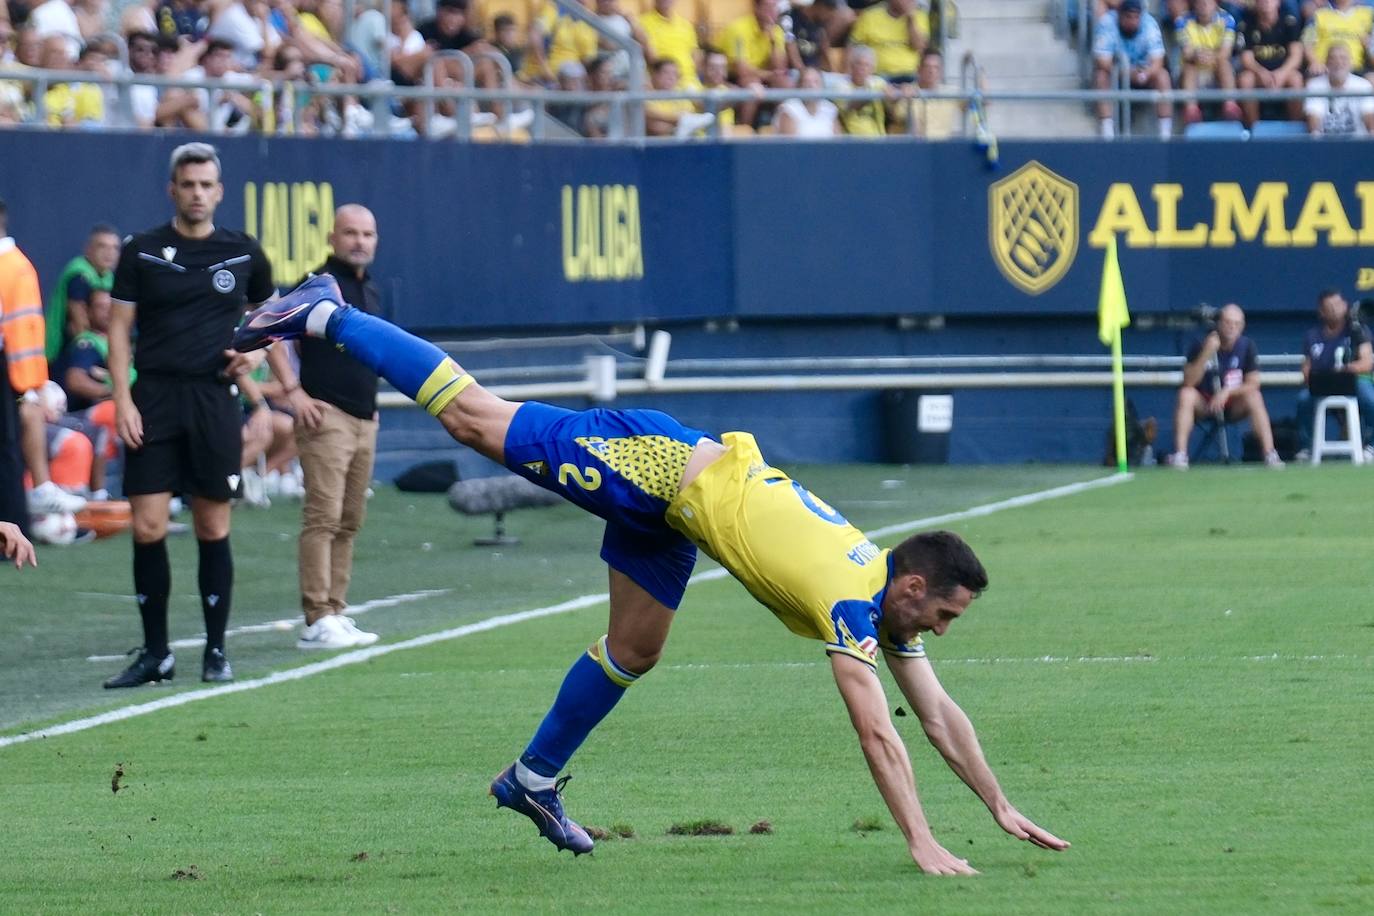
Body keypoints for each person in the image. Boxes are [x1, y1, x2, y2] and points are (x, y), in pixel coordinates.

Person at [231, 275, 1071, 873]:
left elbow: (936, 716)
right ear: (915, 588)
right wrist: (921, 840)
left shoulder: (881, 598)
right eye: (945, 616)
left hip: (676, 516)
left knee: (635, 649)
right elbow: (879, 735)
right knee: (474, 422)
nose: (940, 632)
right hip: (656, 464)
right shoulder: (855, 606)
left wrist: (996, 804)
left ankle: (531, 779)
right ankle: (326, 314)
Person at [103, 142, 276, 689]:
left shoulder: (243, 251)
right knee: (148, 526)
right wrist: (123, 400)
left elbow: (273, 318)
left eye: (206, 185)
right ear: (172, 190)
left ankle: (216, 650)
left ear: (219, 192)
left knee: (212, 524)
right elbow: (116, 331)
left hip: (211, 399)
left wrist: (257, 353)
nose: (197, 193)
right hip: (152, 398)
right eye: (188, 184)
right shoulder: (143, 250)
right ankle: (156, 654)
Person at [264, 204, 383, 650]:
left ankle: (336, 608)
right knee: (324, 516)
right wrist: (293, 393)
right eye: (350, 233)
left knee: (350, 520)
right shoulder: (317, 286)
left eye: (367, 234)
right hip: (326, 415)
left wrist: (373, 408)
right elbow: (269, 327)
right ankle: (316, 618)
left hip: (363, 417)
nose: (359, 242)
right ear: (332, 238)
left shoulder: (370, 290)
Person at [1167, 303, 1283, 470]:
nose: (1231, 327)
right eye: (1228, 322)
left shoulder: (1247, 346)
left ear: (1242, 326)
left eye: (1236, 324)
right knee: (1186, 394)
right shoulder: (1201, 344)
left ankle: (1270, 453)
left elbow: (1253, 383)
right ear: (1219, 323)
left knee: (1255, 396)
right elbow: (1189, 381)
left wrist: (1227, 392)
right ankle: (1180, 455)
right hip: (1206, 403)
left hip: (1233, 404)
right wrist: (1206, 352)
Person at [1295, 288, 1374, 461]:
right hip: (1323, 385)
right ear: (1321, 311)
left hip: (1352, 382)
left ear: (1345, 305)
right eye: (1329, 306)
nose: (1334, 309)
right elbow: (1306, 367)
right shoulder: (1312, 336)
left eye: (1338, 304)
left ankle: (1372, 446)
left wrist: (1345, 370)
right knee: (1303, 400)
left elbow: (1367, 362)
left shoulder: (1357, 329)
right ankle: (1307, 447)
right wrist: (1310, 377)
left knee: (1370, 399)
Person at [1092, 0, 1173, 139]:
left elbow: (1158, 60)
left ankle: (1165, 135)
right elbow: (1102, 61)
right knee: (1101, 76)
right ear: (1120, 14)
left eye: (1136, 17)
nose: (1132, 21)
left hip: (1143, 72)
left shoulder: (1149, 24)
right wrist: (1128, 73)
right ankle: (1107, 132)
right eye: (1128, 17)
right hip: (1117, 73)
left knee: (1163, 76)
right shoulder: (1107, 22)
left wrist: (1145, 74)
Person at [45, 223, 120, 365]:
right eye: (102, 246)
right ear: (88, 250)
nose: (109, 253)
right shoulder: (78, 275)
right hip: (66, 353)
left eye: (115, 248)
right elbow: (80, 328)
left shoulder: (109, 277)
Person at [1235, 0, 1305, 126]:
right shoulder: (1246, 23)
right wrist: (1261, 73)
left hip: (1283, 71)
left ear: (1278, 2)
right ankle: (1253, 128)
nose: (1266, 2)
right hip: (1258, 72)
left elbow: (1296, 56)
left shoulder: (1289, 22)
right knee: (1245, 79)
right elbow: (1246, 58)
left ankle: (1296, 126)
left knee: (1296, 79)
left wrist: (1281, 73)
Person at [1305, 44, 1374, 136]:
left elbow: (1368, 114)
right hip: (1325, 143)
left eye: (1343, 58)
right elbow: (1314, 116)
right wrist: (1316, 140)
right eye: (1333, 58)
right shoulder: (1314, 85)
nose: (1338, 62)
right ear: (1326, 62)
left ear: (1351, 62)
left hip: (1357, 142)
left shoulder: (1363, 85)